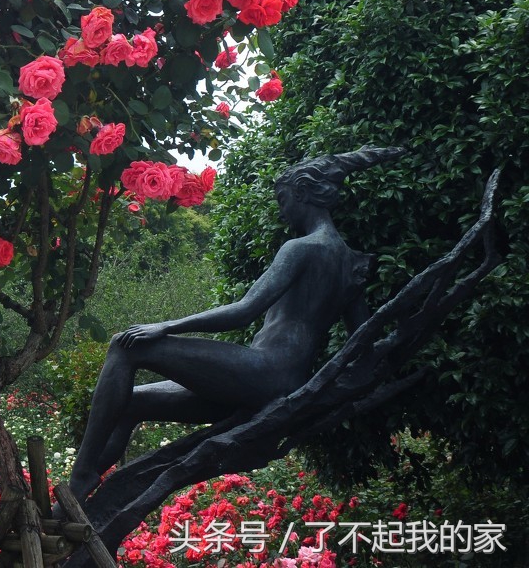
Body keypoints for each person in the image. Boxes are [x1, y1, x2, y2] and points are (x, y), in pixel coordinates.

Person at [66, 146, 405, 502]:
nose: (282, 210)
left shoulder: (301, 248)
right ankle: (76, 499)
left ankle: (81, 474)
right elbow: (361, 343)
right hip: (276, 384)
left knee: (125, 346)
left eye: (283, 199)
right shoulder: (350, 264)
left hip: (263, 373)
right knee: (131, 403)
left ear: (303, 193)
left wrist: (165, 326)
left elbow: (245, 311)